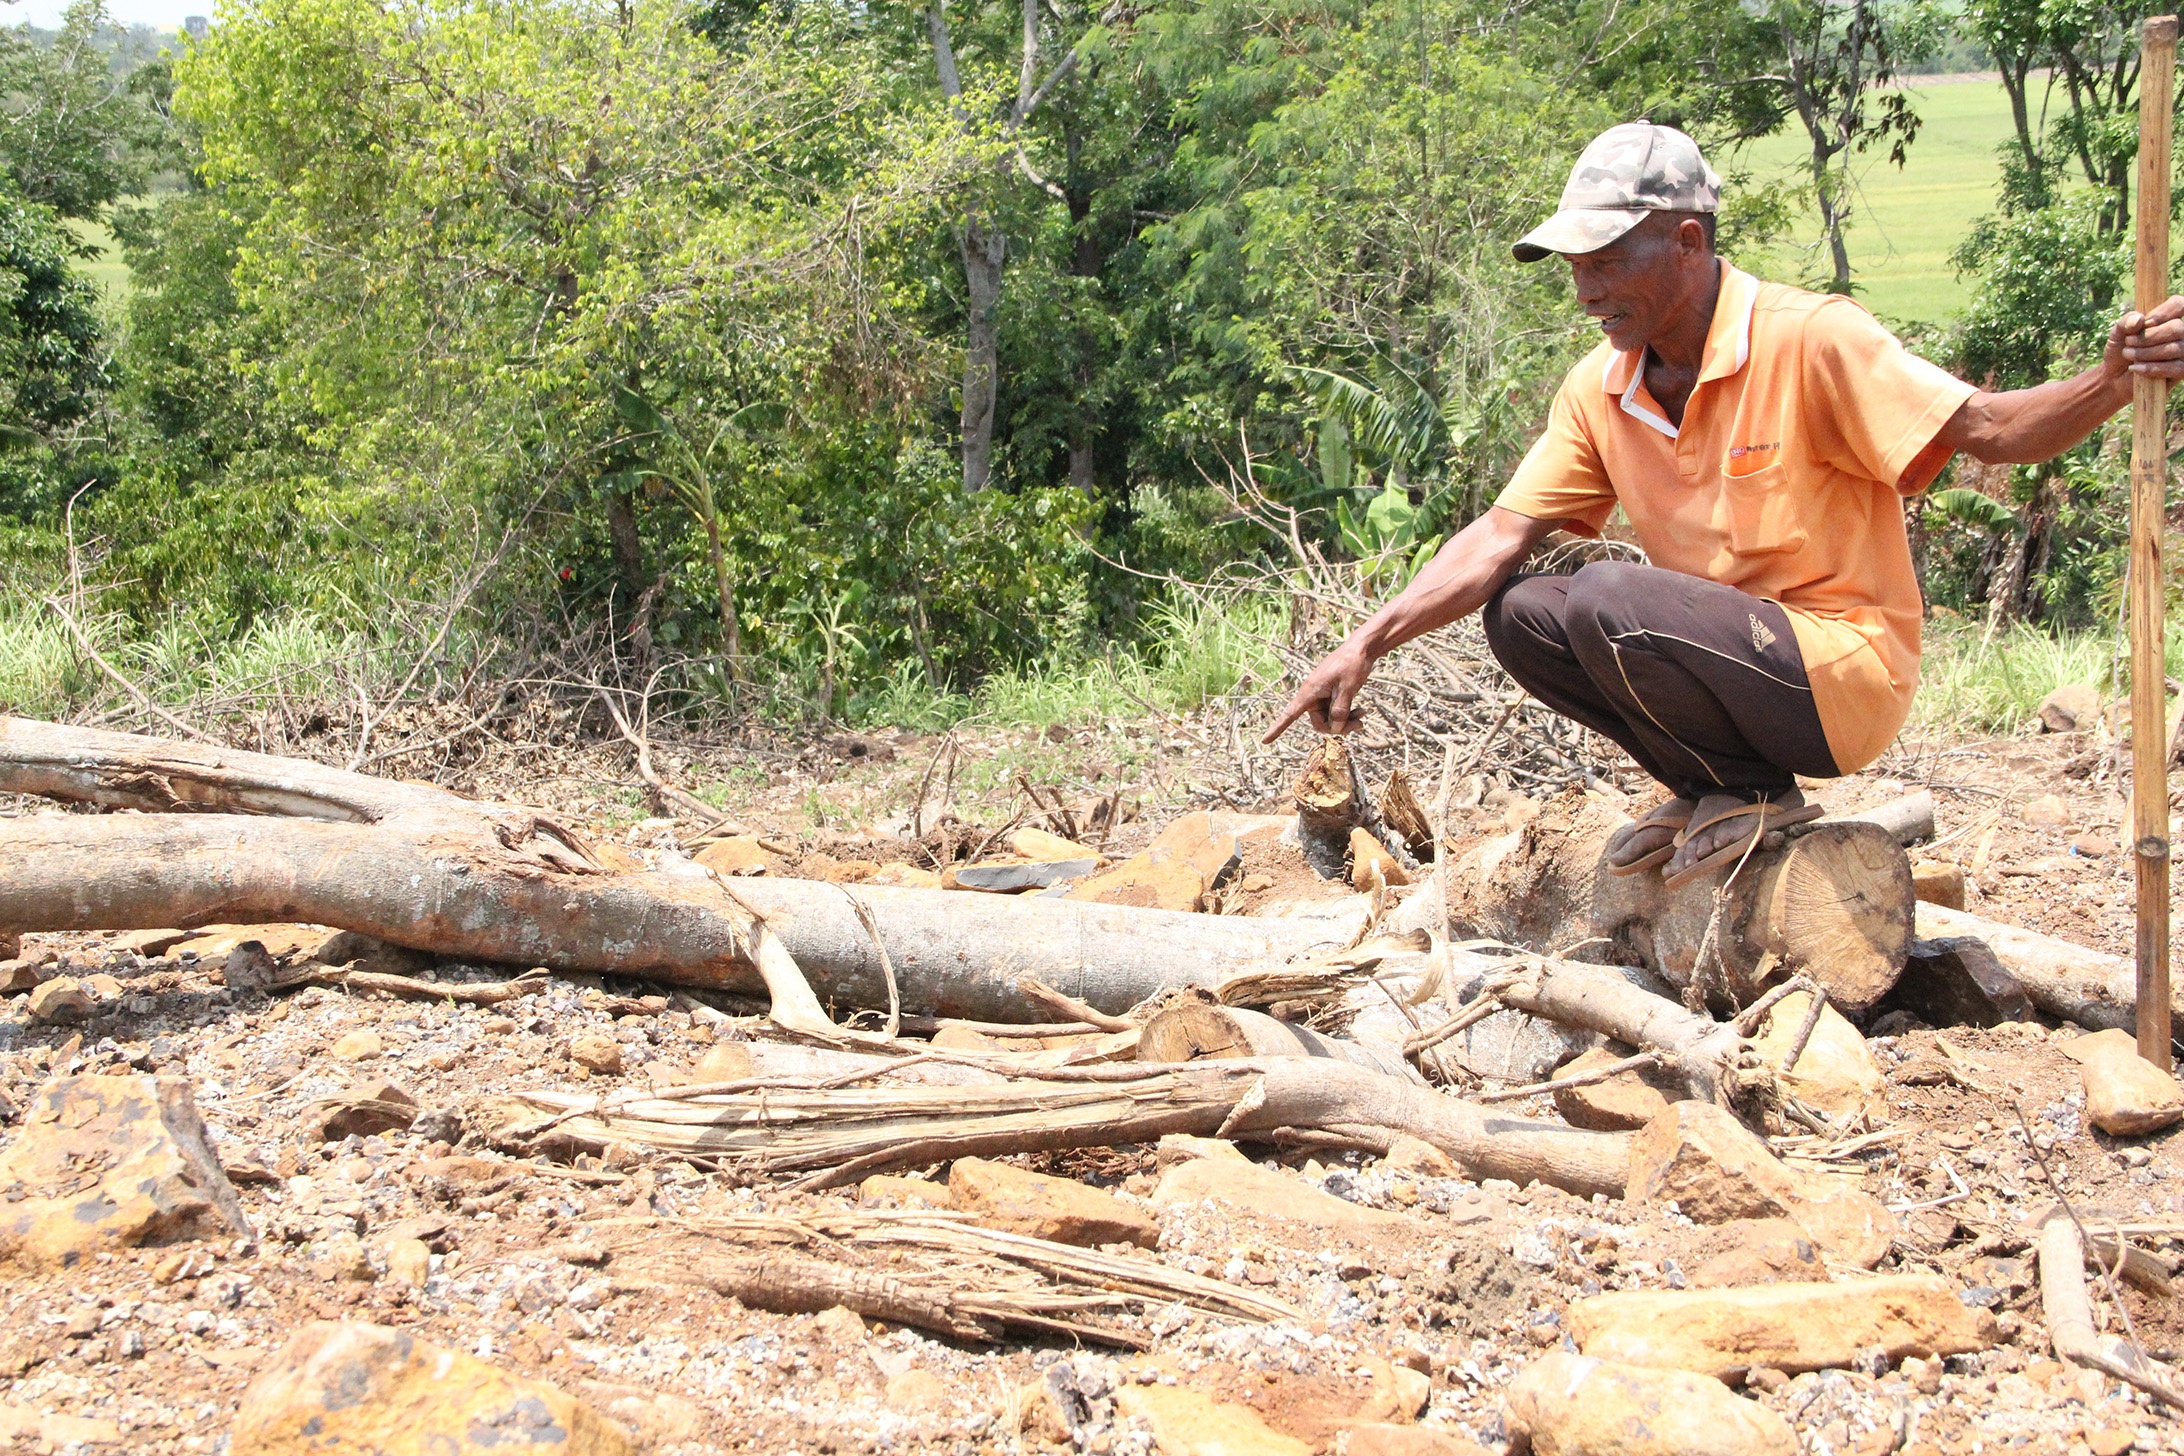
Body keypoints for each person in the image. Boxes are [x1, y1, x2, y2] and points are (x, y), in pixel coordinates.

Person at [1267, 121, 2184, 889]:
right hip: (1720, 668)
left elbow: (1988, 428)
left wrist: (2110, 381)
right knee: (1520, 613)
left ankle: (1755, 795)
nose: (1585, 290)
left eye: (1605, 260)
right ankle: (1716, 784)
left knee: (1605, 598)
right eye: (1571, 266)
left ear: (1687, 244)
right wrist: (1365, 644)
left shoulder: (1811, 339)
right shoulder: (1603, 387)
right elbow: (1500, 535)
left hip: (1840, 677)